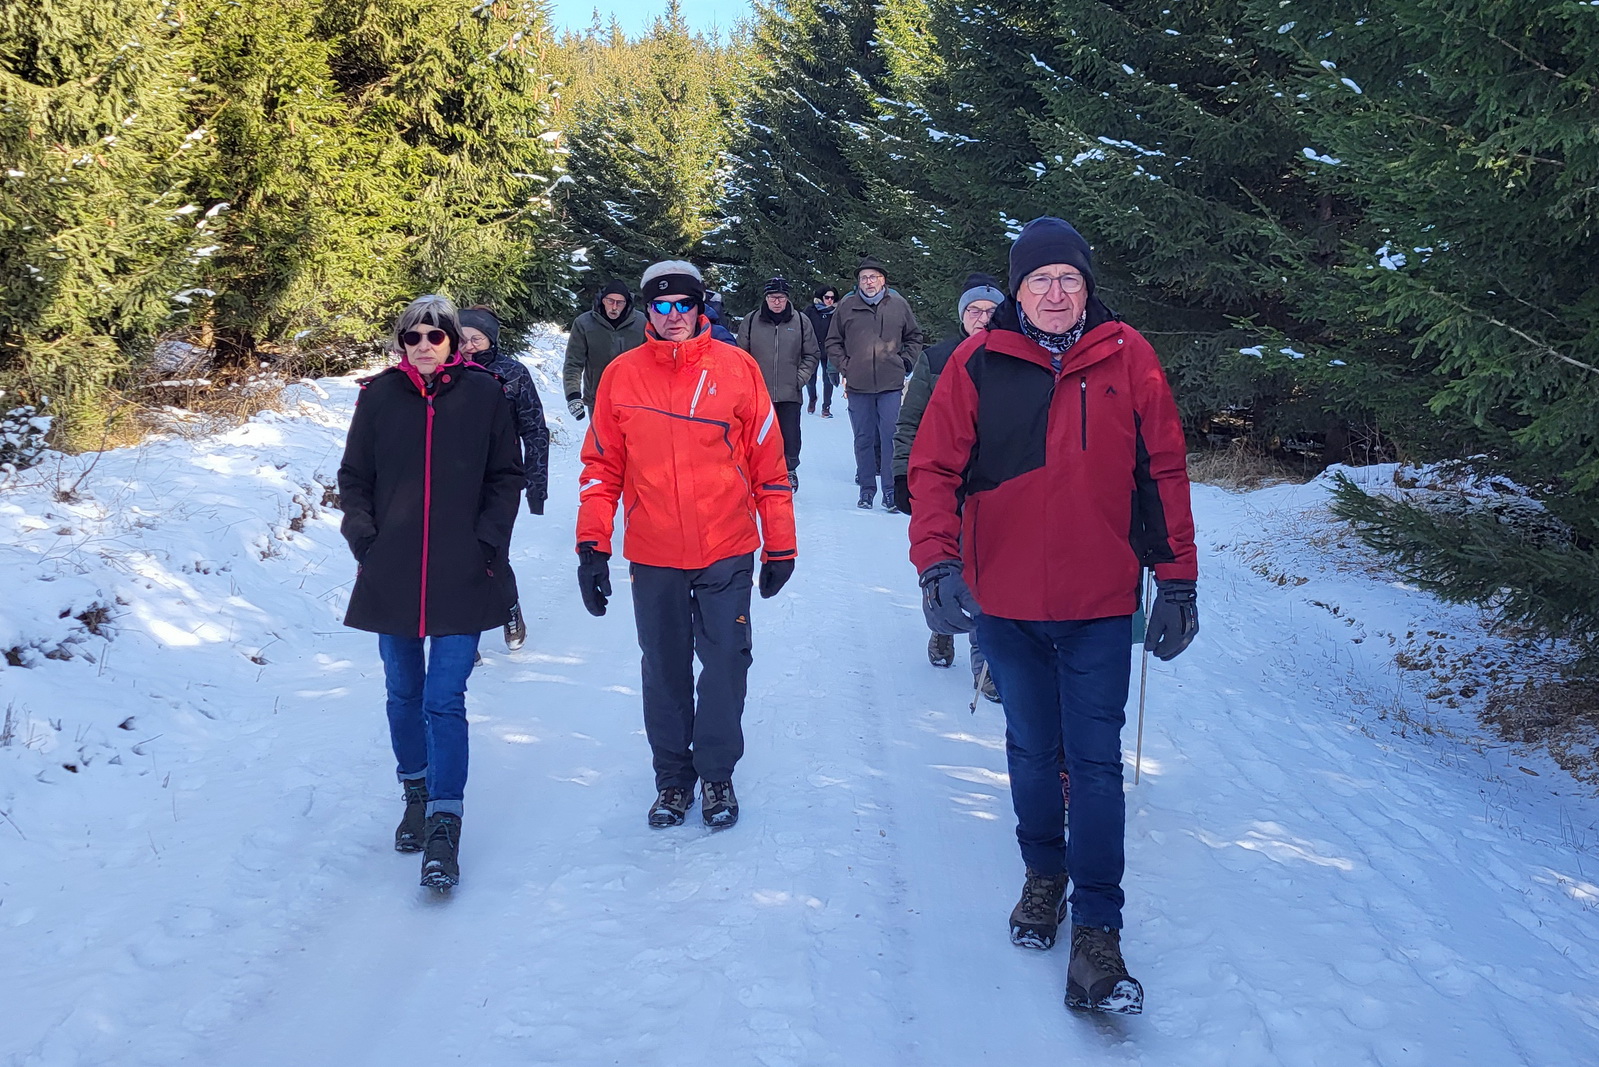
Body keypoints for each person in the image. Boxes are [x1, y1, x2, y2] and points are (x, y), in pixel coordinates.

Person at [907, 217, 1199, 1015]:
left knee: (1096, 763)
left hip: (1101, 601)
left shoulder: (1127, 354)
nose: (1055, 292)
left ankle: (1098, 929)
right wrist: (935, 562)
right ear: (1015, 287)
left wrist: (1176, 582)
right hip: (1004, 599)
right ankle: (1043, 876)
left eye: (1068, 278)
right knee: (1033, 751)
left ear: (1087, 284)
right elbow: (931, 468)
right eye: (1039, 279)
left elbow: (1163, 468)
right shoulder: (976, 360)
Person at [576, 260, 797, 831]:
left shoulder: (738, 368)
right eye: (661, 305)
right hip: (653, 554)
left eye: (683, 305)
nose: (672, 316)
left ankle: (717, 772)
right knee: (665, 667)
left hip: (726, 545)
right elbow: (601, 467)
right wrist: (592, 545)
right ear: (647, 310)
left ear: (700, 308)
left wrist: (781, 545)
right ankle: (673, 780)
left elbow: (769, 464)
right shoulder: (622, 376)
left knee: (726, 662)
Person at [338, 294, 524, 890]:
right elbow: (354, 477)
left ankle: (446, 818)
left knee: (444, 697)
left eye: (435, 336)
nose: (422, 346)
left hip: (461, 571)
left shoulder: (484, 394)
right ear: (401, 342)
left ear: (452, 341)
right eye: (412, 336)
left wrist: (487, 541)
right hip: (391, 571)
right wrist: (365, 539)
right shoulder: (378, 397)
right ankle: (414, 792)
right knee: (402, 691)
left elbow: (505, 475)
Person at [891, 272, 1004, 693]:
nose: (982, 318)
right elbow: (911, 420)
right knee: (945, 562)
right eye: (974, 310)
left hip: (992, 487)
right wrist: (903, 473)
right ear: (962, 316)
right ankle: (941, 624)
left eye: (991, 311)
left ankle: (986, 666)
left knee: (987, 572)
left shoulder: (1013, 360)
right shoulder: (937, 359)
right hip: (945, 485)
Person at [458, 306, 550, 652]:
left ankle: (509, 608)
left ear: (490, 339)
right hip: (455, 480)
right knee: (457, 556)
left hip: (501, 481)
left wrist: (536, 485)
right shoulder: (447, 373)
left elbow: (535, 429)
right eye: (461, 338)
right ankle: (463, 632)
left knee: (492, 552)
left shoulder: (513, 374)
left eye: (475, 339)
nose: (467, 346)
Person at [825, 255, 923, 511]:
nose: (869, 282)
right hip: (858, 385)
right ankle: (867, 490)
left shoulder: (898, 305)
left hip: (891, 383)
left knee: (891, 437)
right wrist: (846, 366)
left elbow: (914, 336)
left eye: (873, 277)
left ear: (883, 280)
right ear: (858, 282)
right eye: (864, 277)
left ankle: (890, 492)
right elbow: (832, 341)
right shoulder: (846, 306)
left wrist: (905, 363)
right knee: (863, 438)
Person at [736, 276, 819, 491]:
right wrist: (749, 383)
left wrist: (799, 379)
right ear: (766, 298)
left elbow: (811, 354)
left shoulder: (801, 321)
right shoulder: (752, 320)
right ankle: (756, 472)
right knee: (757, 435)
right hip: (758, 392)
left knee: (790, 435)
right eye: (773, 297)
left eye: (781, 298)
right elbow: (740, 355)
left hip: (789, 391)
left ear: (787, 299)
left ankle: (789, 471)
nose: (777, 302)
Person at [563, 280, 646, 421]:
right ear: (602, 300)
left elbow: (651, 362)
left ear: (627, 303)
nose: (614, 307)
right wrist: (573, 395)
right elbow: (573, 363)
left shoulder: (642, 323)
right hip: (597, 399)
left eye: (620, 303)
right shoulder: (584, 323)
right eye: (610, 301)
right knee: (601, 442)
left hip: (633, 401)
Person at [802, 285, 839, 417]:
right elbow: (802, 328)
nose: (830, 300)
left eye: (832, 298)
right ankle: (812, 398)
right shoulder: (810, 311)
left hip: (830, 349)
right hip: (812, 349)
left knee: (828, 378)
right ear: (820, 297)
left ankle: (826, 407)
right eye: (827, 297)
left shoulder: (837, 312)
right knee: (810, 379)